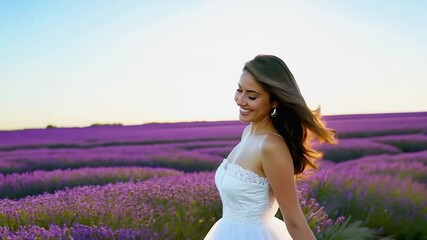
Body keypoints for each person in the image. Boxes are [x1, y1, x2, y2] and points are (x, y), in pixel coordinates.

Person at [204, 55, 336, 240]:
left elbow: (294, 221)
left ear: (275, 101)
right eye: (239, 90)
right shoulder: (248, 133)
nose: (241, 100)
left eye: (251, 96)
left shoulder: (271, 146)